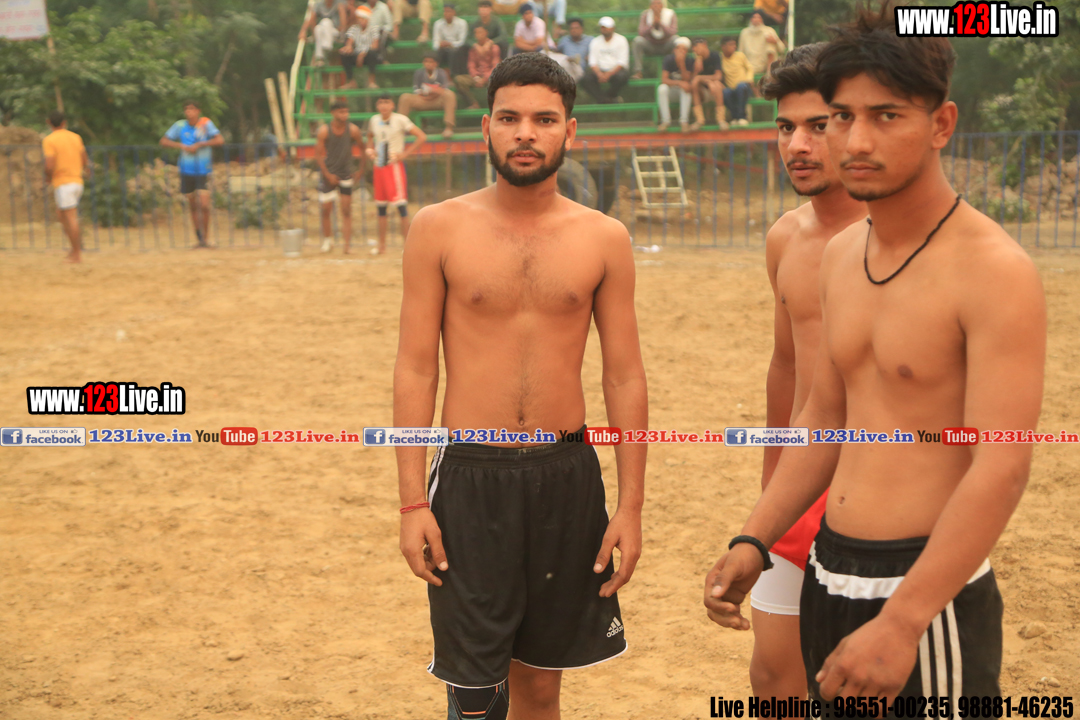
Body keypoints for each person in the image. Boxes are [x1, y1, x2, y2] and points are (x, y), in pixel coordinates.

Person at [704, 6, 1046, 702]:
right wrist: (755, 537)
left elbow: (1003, 465)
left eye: (887, 116)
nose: (856, 140)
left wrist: (905, 620)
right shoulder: (839, 256)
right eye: (843, 116)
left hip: (927, 593)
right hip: (829, 569)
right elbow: (825, 417)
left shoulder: (994, 271)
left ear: (941, 124)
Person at [394, 52, 646, 720]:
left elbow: (623, 374)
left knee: (540, 687)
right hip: (471, 475)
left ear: (570, 130)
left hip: (567, 475)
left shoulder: (604, 238)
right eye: (509, 118)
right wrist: (411, 502)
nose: (525, 133)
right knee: (474, 691)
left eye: (544, 119)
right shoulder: (437, 228)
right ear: (486, 127)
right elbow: (416, 367)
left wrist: (631, 506)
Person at [743, 42, 868, 701]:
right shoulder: (785, 238)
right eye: (785, 128)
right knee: (772, 678)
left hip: (879, 493)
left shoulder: (898, 238)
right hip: (798, 486)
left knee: (858, 685)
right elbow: (785, 366)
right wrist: (771, 492)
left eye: (817, 126)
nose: (798, 145)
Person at [160, 100, 224, 249]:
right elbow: (164, 141)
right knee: (193, 205)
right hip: (186, 170)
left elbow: (220, 140)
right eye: (187, 109)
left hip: (203, 170)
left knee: (204, 205)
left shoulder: (205, 123)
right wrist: (181, 146)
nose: (189, 112)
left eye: (192, 109)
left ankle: (206, 238)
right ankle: (200, 239)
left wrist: (201, 144)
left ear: (198, 111)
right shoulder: (180, 125)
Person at [367, 94, 425, 254]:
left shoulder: (400, 120)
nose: (384, 105)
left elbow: (421, 136)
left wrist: (404, 154)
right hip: (379, 167)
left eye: (387, 102)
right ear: (377, 105)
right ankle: (381, 246)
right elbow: (370, 137)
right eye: (381, 102)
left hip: (393, 167)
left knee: (401, 206)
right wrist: (370, 150)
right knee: (381, 207)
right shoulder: (374, 120)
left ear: (392, 105)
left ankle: (407, 246)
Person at [314, 101, 366, 254]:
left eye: (346, 112)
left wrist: (360, 170)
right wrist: (327, 174)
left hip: (346, 172)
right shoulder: (324, 131)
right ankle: (327, 241)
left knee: (346, 209)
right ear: (333, 113)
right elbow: (318, 154)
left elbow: (363, 149)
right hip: (329, 172)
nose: (345, 115)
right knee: (326, 209)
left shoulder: (353, 130)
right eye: (341, 112)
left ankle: (347, 245)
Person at [42, 111, 88, 263]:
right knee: (62, 215)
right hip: (77, 181)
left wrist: (47, 177)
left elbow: (49, 164)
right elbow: (84, 158)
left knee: (70, 218)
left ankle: (77, 254)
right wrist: (85, 170)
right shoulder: (75, 137)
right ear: (64, 122)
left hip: (63, 183)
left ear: (49, 123)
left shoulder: (49, 140)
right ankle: (73, 250)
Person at [399, 52, 456, 139]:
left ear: (436, 63)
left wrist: (432, 91)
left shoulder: (442, 73)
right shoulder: (419, 73)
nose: (428, 64)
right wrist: (433, 91)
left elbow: (444, 90)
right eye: (426, 61)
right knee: (405, 97)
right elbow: (417, 91)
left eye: (431, 62)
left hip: (437, 101)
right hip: (423, 100)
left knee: (450, 95)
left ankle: (448, 128)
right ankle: (401, 129)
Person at [580, 17, 629, 104]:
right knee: (585, 79)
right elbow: (592, 62)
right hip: (600, 70)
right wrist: (600, 74)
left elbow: (622, 62)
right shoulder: (595, 41)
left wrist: (608, 74)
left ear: (613, 28)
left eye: (606, 27)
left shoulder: (621, 40)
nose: (604, 29)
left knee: (622, 77)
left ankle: (603, 99)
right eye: (602, 27)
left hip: (616, 71)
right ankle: (608, 99)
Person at [455, 25, 501, 109]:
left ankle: (496, 105)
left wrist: (485, 78)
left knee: (499, 80)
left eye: (480, 32)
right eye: (476, 33)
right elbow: (471, 65)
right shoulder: (473, 49)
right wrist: (476, 77)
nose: (478, 35)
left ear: (486, 33)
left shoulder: (494, 48)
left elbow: (495, 66)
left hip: (490, 77)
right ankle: (474, 103)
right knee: (459, 79)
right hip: (476, 77)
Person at [657, 37, 695, 132]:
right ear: (674, 50)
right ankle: (665, 121)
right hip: (672, 90)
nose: (681, 51)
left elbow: (687, 80)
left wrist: (681, 64)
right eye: (679, 48)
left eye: (684, 49)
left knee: (686, 89)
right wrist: (679, 83)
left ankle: (684, 122)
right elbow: (664, 80)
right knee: (662, 88)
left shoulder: (689, 60)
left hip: (682, 92)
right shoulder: (668, 59)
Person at [631, 0, 677, 79]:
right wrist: (652, 25)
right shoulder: (645, 14)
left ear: (662, 5)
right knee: (637, 41)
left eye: (658, 3)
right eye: (654, 4)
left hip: (666, 45)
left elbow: (673, 32)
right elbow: (641, 32)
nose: (656, 6)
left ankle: (674, 71)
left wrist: (660, 23)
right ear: (650, 6)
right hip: (650, 45)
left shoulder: (670, 14)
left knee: (676, 40)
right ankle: (638, 72)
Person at [341, 5, 382, 89]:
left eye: (362, 18)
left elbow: (375, 45)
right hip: (357, 54)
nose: (360, 21)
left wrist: (363, 54)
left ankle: (371, 81)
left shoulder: (374, 28)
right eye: (359, 18)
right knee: (344, 53)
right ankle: (351, 81)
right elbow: (350, 41)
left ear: (367, 19)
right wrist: (348, 47)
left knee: (372, 53)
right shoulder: (354, 28)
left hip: (368, 55)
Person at [300, 0, 350, 66]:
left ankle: (326, 47)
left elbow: (344, 20)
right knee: (318, 28)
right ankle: (320, 58)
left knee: (326, 21)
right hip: (323, 33)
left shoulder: (340, 2)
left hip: (335, 32)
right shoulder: (319, 4)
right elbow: (311, 17)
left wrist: (342, 11)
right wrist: (303, 31)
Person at [690, 38, 726, 130]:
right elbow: (694, 80)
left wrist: (701, 78)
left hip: (718, 89)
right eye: (693, 47)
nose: (694, 49)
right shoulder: (695, 59)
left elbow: (718, 76)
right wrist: (697, 70)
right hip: (704, 90)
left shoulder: (715, 55)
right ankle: (699, 120)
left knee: (717, 84)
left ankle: (721, 120)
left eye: (696, 46)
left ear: (704, 45)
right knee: (694, 84)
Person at [720, 37, 755, 126]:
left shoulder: (740, 55)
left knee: (741, 87)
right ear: (723, 47)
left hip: (744, 86)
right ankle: (735, 117)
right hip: (731, 88)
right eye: (731, 44)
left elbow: (750, 68)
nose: (734, 47)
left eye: (734, 44)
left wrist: (749, 79)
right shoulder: (720, 58)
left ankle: (742, 117)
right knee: (725, 92)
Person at [739, 10, 785, 75]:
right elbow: (741, 51)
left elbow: (782, 49)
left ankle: (769, 73)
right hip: (750, 64)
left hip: (765, 64)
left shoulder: (769, 30)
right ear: (751, 19)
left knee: (770, 45)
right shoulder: (744, 33)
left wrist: (775, 41)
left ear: (762, 20)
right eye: (754, 17)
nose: (756, 20)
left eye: (759, 17)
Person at [432, 3, 469, 76]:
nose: (447, 13)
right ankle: (436, 76)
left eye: (449, 11)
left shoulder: (462, 23)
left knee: (454, 52)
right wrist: (440, 45)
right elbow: (435, 41)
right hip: (443, 49)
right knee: (435, 55)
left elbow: (462, 41)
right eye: (445, 11)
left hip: (457, 49)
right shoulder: (438, 24)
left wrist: (450, 44)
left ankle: (454, 76)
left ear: (454, 12)